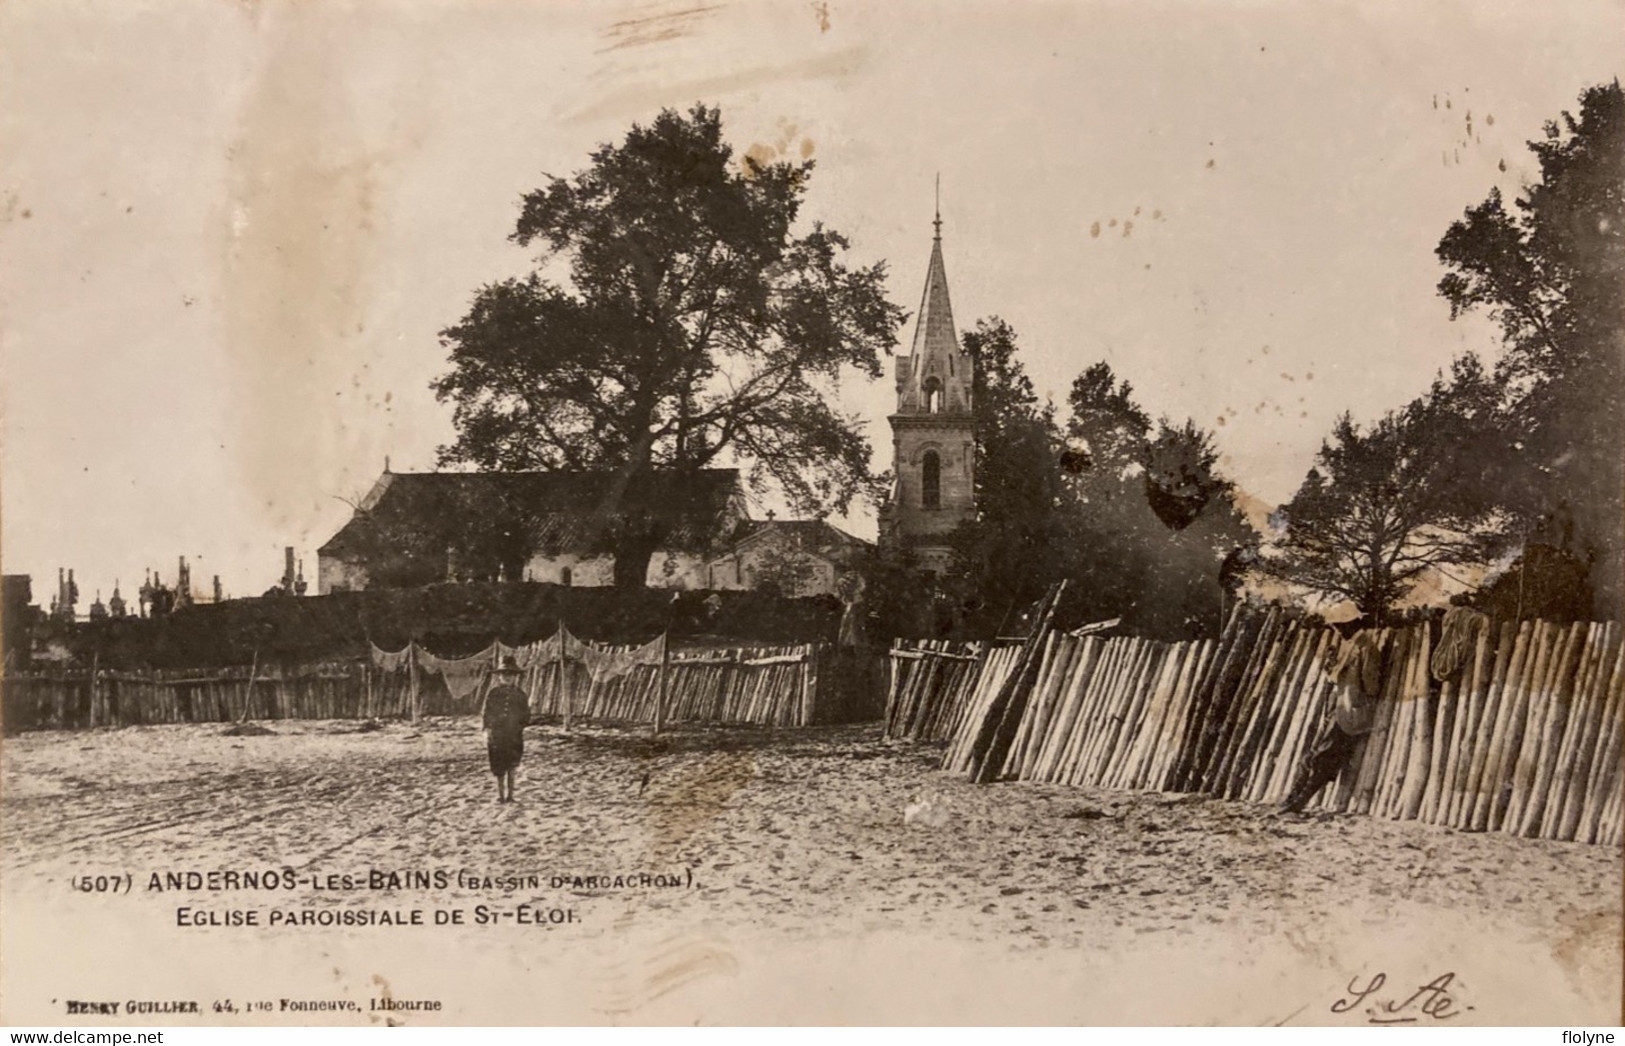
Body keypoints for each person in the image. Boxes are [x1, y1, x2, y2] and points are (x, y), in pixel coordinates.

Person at [1279, 629, 1385, 814]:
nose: (1338, 628)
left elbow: (1371, 685)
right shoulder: (1350, 645)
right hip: (1337, 707)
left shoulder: (1366, 649)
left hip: (1349, 711)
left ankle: (1299, 801)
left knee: (1323, 757)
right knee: (1313, 755)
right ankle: (1293, 797)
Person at [481, 655, 530, 803]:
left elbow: (526, 714)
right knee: (498, 765)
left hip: (514, 735)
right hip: (497, 735)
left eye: (511, 674)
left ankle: (511, 795)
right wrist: (488, 729)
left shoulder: (520, 695)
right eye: (504, 674)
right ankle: (500, 795)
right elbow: (487, 712)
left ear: (515, 676)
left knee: (512, 765)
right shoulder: (494, 694)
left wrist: (520, 726)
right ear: (499, 676)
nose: (507, 677)